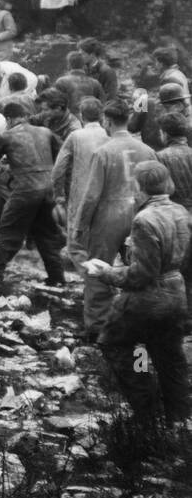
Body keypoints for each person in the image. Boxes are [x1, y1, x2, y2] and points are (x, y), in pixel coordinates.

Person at [81, 161, 190, 427]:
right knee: (170, 357)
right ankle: (179, 420)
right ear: (166, 185)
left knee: (114, 342)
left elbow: (142, 275)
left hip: (147, 300)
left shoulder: (144, 220)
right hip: (177, 295)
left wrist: (105, 272)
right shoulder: (182, 212)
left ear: (139, 189)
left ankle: (147, 410)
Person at [69, 100, 158, 341]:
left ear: (107, 121)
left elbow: (91, 196)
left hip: (109, 213)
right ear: (128, 119)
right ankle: (138, 324)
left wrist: (79, 226)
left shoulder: (104, 152)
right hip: (140, 212)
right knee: (138, 270)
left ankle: (98, 328)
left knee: (97, 268)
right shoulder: (146, 150)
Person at [0, 101, 67, 295]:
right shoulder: (44, 132)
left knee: (4, 232)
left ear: (8, 119)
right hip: (44, 189)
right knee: (44, 234)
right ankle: (57, 277)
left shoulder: (6, 134)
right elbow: (63, 155)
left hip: (19, 190)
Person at [52, 97, 108, 224]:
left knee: (77, 237)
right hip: (106, 197)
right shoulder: (109, 135)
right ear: (101, 116)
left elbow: (58, 169)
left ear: (81, 116)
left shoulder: (75, 136)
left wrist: (59, 198)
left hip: (81, 196)